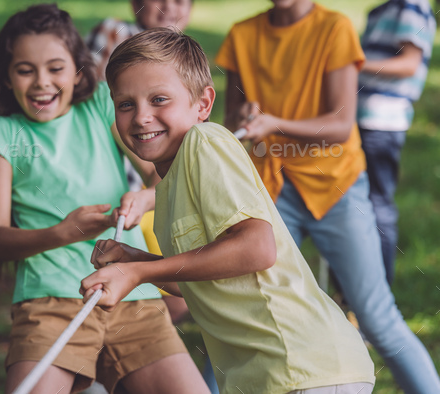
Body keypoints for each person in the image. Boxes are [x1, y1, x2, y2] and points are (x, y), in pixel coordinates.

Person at [81, 27, 376, 394]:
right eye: (126, 104)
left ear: (203, 104)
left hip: (303, 366)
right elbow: (201, 281)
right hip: (267, 377)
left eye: (159, 99)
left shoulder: (204, 142)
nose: (141, 117)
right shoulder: (170, 185)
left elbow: (257, 248)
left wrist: (140, 270)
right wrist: (134, 261)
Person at [0, 5, 207, 393]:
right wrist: (65, 231)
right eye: (25, 70)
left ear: (77, 69)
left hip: (130, 292)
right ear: (7, 75)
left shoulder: (100, 104)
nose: (41, 83)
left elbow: (162, 177)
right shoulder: (0, 131)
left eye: (55, 68)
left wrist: (144, 200)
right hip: (48, 301)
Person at [215, 0, 440, 392]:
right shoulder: (242, 34)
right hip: (271, 187)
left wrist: (275, 124)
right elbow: (230, 119)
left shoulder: (334, 28)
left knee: (376, 316)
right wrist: (245, 118)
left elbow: (338, 124)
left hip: (336, 186)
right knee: (245, 314)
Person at [357, 0, 436, 285]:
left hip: (381, 121)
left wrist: (350, 63)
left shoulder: (412, 6)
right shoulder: (382, 10)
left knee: (377, 204)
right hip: (358, 119)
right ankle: (354, 295)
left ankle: (380, 293)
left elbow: (408, 64)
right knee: (354, 204)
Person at [86, 0, 193, 80]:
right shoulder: (115, 31)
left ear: (190, 9)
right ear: (136, 5)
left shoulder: (188, 53)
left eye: (179, 1)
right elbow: (89, 79)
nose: (168, 6)